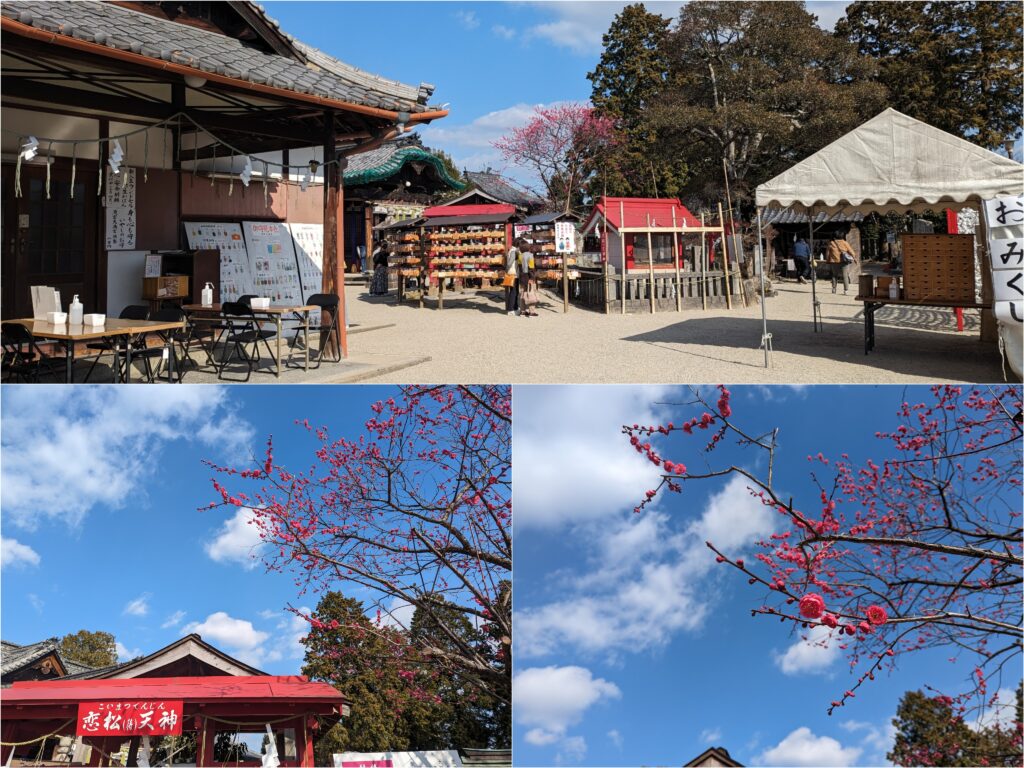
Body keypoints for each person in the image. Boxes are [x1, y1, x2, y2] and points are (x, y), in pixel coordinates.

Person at [518, 240, 539, 317]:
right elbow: (531, 268)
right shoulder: (530, 255)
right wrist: (532, 277)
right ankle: (531, 312)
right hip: (528, 276)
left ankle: (522, 311)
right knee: (531, 293)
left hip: (522, 276)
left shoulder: (520, 256)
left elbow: (520, 267)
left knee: (523, 293)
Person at [505, 239, 521, 316]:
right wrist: (507, 270)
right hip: (513, 274)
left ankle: (515, 307)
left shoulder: (513, 250)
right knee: (513, 292)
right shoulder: (514, 251)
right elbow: (509, 263)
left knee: (515, 291)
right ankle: (510, 309)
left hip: (514, 273)